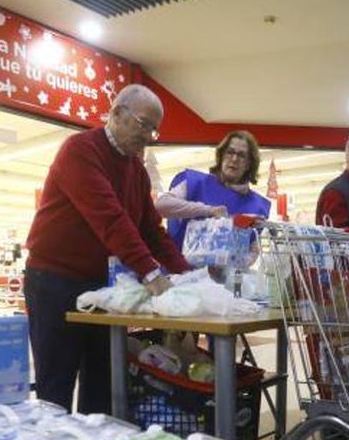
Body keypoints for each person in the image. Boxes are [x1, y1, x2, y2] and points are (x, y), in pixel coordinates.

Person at [24, 84, 191, 414]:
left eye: (153, 130)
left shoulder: (136, 171)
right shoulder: (80, 150)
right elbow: (110, 219)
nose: (148, 136)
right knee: (55, 385)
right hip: (54, 280)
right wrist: (151, 273)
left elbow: (150, 230)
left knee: (102, 380)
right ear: (116, 113)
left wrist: (188, 274)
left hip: (102, 287)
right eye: (144, 125)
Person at [157, 130, 271, 251]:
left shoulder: (257, 207)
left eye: (242, 155)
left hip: (226, 269)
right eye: (230, 152)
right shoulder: (195, 182)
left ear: (249, 163)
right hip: (179, 267)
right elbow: (160, 205)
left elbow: (253, 250)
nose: (234, 159)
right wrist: (208, 210)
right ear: (221, 156)